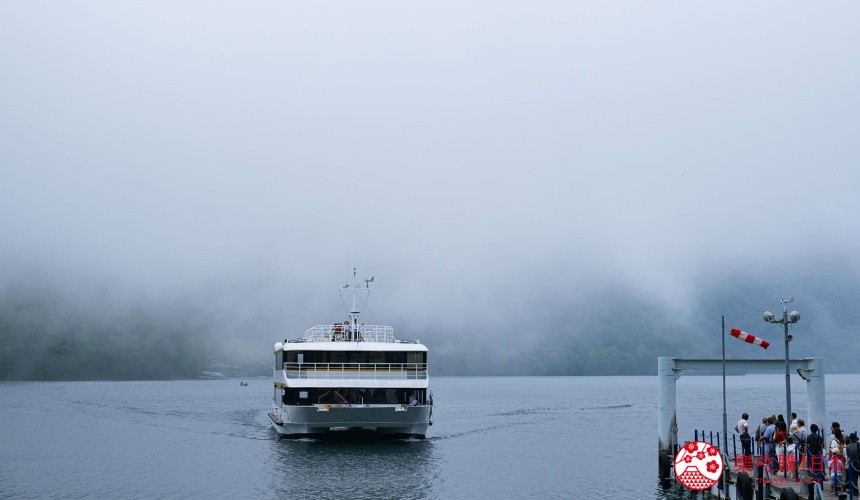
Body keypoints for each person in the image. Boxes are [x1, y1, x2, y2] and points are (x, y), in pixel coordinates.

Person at [829, 426, 846, 493]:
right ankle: (843, 487)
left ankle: (835, 487)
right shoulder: (843, 440)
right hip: (842, 458)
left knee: (835, 471)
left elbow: (832, 450)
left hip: (836, 458)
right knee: (843, 473)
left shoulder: (834, 441)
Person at [846, 432, 860, 497]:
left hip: (852, 464)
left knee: (853, 479)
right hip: (859, 463)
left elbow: (848, 455)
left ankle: (855, 492)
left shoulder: (847, 446)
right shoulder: (858, 444)